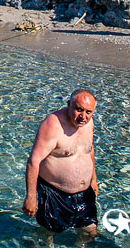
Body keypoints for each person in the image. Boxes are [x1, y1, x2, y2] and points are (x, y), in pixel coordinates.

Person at [22, 89, 98, 239]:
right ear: (69, 104)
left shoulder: (88, 124)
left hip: (83, 193)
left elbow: (89, 150)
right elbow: (33, 161)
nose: (83, 116)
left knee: (89, 231)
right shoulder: (52, 125)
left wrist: (93, 180)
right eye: (79, 110)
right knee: (48, 234)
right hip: (54, 193)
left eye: (88, 112)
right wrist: (31, 197)